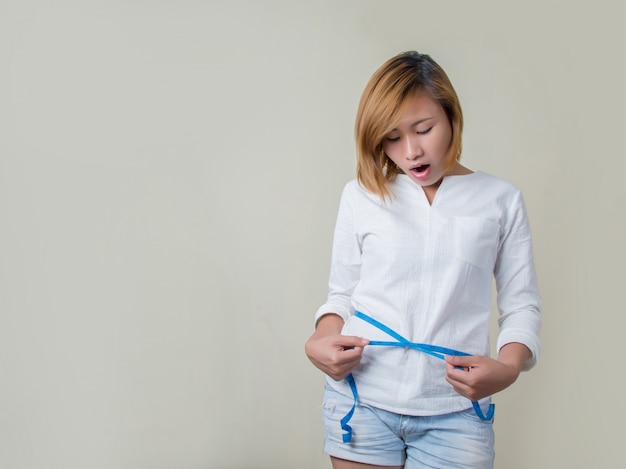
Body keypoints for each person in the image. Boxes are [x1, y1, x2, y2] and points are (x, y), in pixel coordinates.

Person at [304, 51, 541, 469]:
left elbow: (521, 306)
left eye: (424, 129)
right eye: (392, 137)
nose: (411, 151)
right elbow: (341, 295)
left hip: (455, 414)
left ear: (451, 117)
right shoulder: (361, 195)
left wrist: (507, 368)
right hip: (363, 400)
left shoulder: (500, 200)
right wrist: (319, 342)